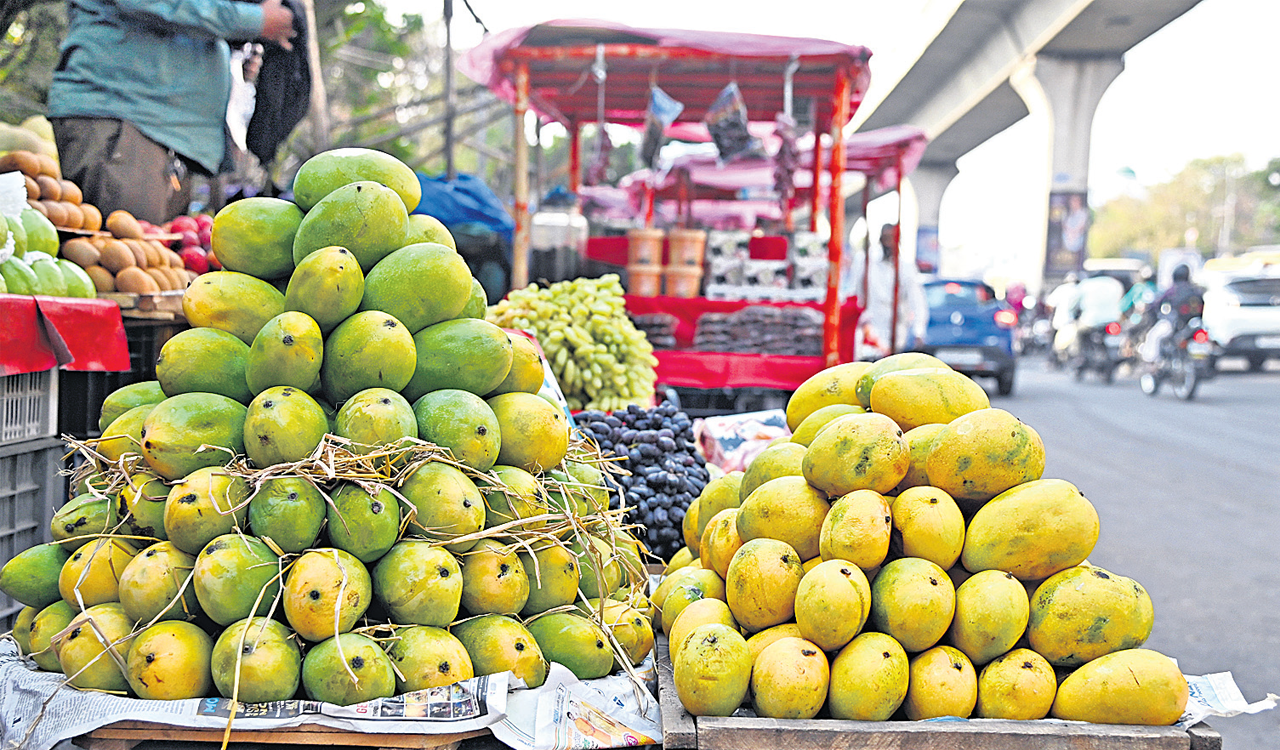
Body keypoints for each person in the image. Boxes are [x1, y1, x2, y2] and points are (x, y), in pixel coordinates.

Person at [47, 0, 297, 225]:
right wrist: (254, 20)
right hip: (124, 119)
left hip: (164, 134)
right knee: (119, 254)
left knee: (154, 257)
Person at [847, 223, 928, 359]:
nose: (888, 243)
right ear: (880, 239)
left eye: (892, 239)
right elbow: (853, 293)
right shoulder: (865, 262)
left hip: (896, 331)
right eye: (885, 238)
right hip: (869, 329)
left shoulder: (906, 267)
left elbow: (917, 301)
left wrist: (918, 331)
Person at [1139, 264, 1204, 363]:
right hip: (1193, 325)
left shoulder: (1173, 290)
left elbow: (1156, 303)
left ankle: (1151, 364)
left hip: (1175, 326)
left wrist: (1149, 308)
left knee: (1153, 335)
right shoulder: (1195, 290)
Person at [1044, 272, 1080, 366]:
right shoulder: (1079, 290)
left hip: (1061, 321)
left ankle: (1052, 360)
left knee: (1053, 341)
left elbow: (1049, 304)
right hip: (1073, 322)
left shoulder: (1061, 289)